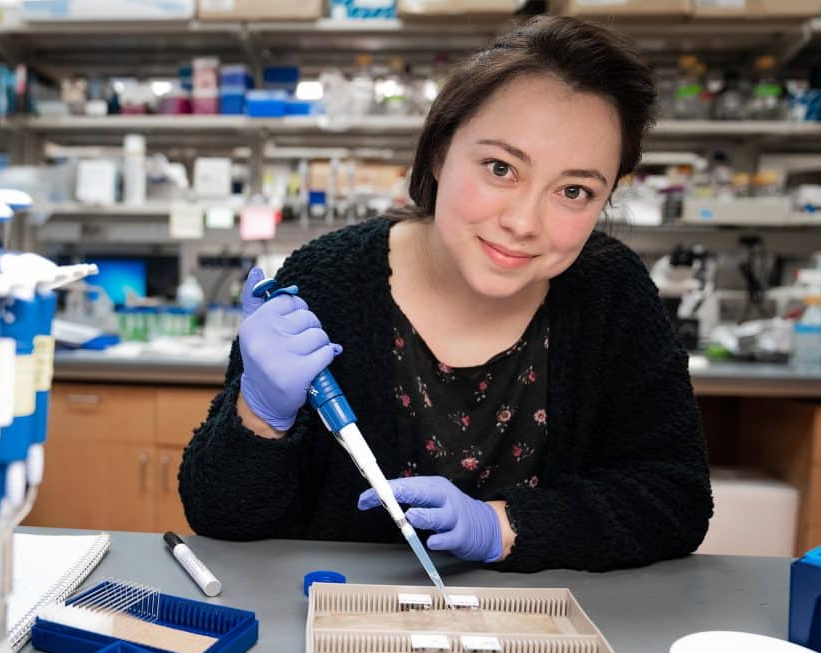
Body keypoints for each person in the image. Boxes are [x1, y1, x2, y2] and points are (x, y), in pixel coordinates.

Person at [179, 15, 712, 572]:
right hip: (345, 629)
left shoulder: (611, 293)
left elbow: (676, 498)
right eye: (501, 168)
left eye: (574, 190)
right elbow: (220, 518)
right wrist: (260, 416)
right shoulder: (323, 282)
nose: (525, 222)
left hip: (546, 636)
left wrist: (506, 526)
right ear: (438, 153)